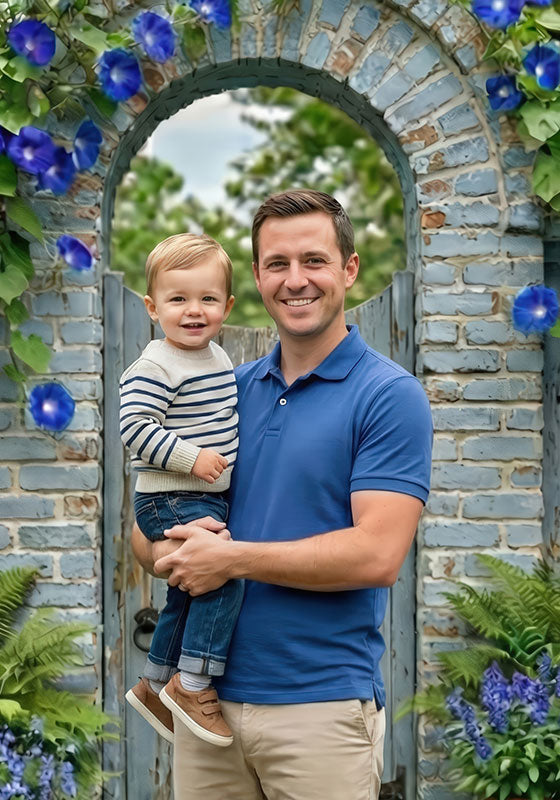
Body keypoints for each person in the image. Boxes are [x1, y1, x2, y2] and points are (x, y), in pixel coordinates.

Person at [132, 190, 433, 800]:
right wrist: (174, 549)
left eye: (314, 260)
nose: (296, 280)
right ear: (258, 278)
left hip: (319, 708)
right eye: (277, 264)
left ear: (349, 269)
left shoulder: (388, 396)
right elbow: (144, 537)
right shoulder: (223, 388)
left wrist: (229, 559)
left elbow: (377, 556)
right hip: (203, 707)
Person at [120, 233, 244, 748]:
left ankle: (154, 684)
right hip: (169, 494)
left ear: (227, 307)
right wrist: (193, 459)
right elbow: (134, 427)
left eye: (207, 298)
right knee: (223, 577)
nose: (194, 310)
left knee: (188, 590)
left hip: (199, 495)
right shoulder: (157, 364)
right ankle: (192, 684)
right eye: (178, 299)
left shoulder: (217, 358)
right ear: (153, 307)